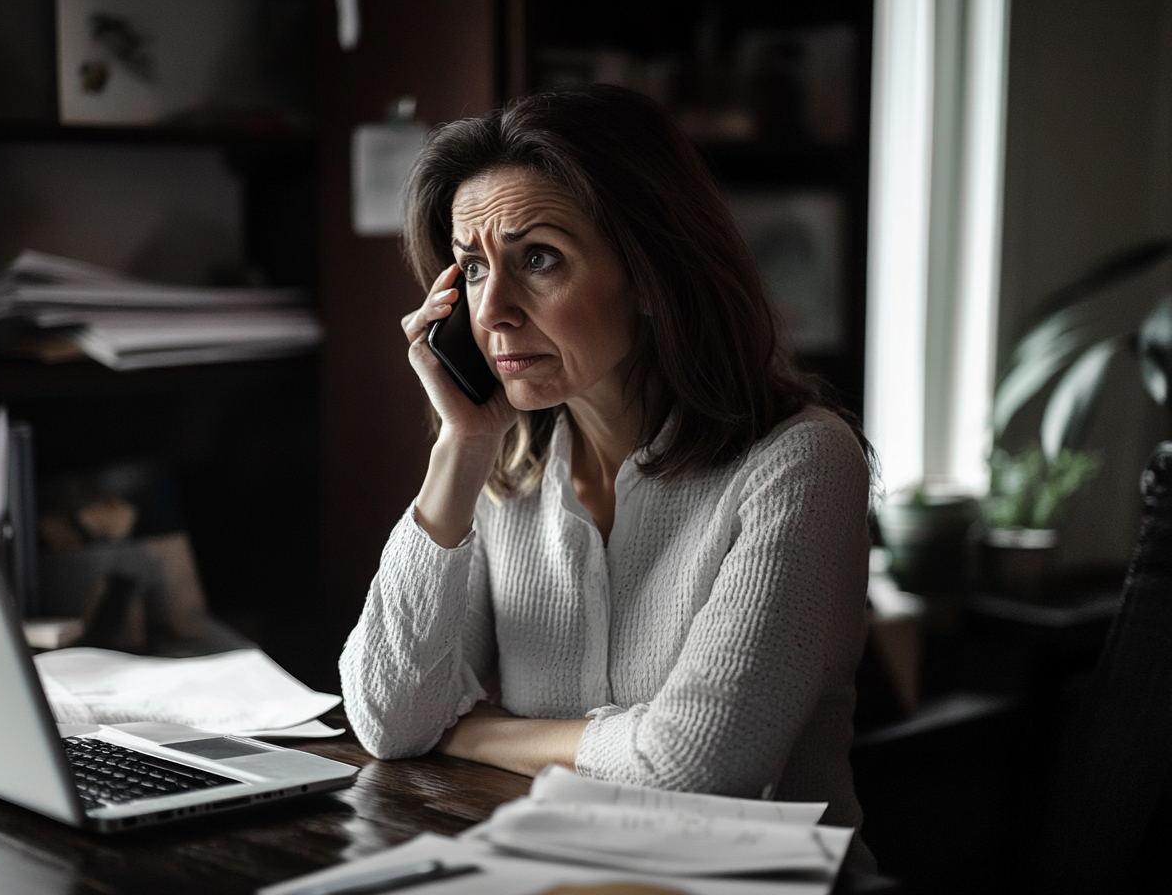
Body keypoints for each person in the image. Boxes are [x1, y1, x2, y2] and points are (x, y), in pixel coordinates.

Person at [339, 84, 875, 862]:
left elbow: (696, 767)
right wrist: (458, 447)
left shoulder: (800, 464)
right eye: (473, 270)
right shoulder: (503, 475)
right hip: (554, 872)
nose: (492, 314)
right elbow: (389, 722)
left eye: (540, 259)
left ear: (652, 275)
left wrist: (481, 729)